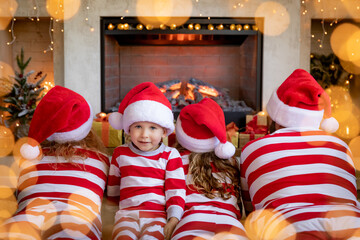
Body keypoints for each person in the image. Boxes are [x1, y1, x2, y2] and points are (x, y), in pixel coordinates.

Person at [240, 69, 360, 239]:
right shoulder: (340, 146)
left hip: (288, 229)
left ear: (274, 117)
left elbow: (250, 208)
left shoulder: (252, 149)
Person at [0, 86, 109, 239]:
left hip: (30, 212)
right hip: (76, 215)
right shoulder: (101, 159)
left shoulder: (29, 157)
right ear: (86, 130)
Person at [107, 82, 186, 240]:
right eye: (138, 126)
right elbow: (113, 189)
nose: (144, 134)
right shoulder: (120, 153)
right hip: (126, 215)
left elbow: (175, 191)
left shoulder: (170, 155)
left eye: (152, 128)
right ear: (128, 128)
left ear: (164, 131)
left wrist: (173, 219)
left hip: (156, 216)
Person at [171, 98, 248, 240]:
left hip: (190, 224)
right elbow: (239, 204)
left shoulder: (174, 160)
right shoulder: (230, 161)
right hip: (231, 225)